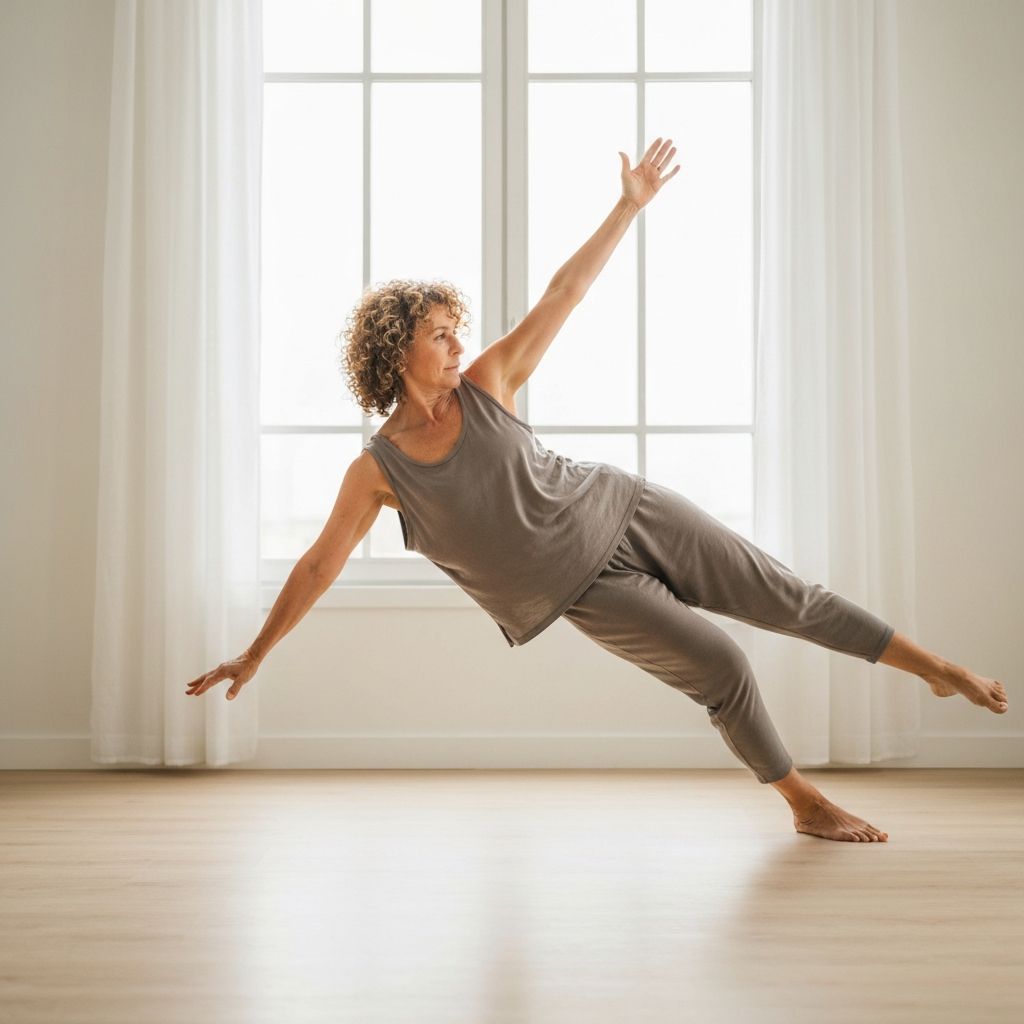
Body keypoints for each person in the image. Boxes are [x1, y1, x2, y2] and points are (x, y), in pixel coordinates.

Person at [186, 138, 1008, 842]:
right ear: (399, 349)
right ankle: (803, 802)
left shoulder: (488, 381)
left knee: (787, 596)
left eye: (454, 329)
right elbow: (319, 567)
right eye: (440, 333)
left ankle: (934, 667)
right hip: (580, 590)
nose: (456, 340)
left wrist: (628, 207)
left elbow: (563, 295)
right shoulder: (379, 471)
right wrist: (257, 652)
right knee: (721, 664)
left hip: (627, 508)